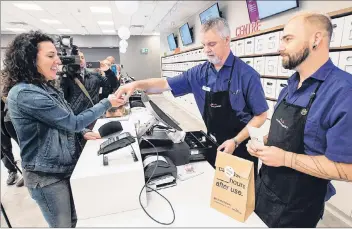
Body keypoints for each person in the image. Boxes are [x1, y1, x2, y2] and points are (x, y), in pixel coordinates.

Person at [2, 30, 124, 227]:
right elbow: (72, 121)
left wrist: (83, 131)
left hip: (63, 168)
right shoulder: (25, 94)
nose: (58, 61)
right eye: (51, 56)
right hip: (46, 177)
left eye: (57, 55)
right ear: (29, 59)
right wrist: (106, 103)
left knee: (74, 221)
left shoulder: (45, 87)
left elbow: (61, 120)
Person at [116, 18, 268, 175]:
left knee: (241, 198)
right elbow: (164, 84)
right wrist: (136, 85)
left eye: (212, 44)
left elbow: (261, 115)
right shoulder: (199, 74)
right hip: (214, 144)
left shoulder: (247, 75)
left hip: (241, 148)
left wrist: (236, 141)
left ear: (227, 40)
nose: (206, 50)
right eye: (204, 45)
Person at [246, 12, 352, 227]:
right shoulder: (291, 85)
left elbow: (348, 169)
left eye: (288, 39)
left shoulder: (343, 91)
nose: (280, 47)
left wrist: (286, 159)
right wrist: (263, 141)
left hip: (298, 208)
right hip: (265, 188)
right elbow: (287, 132)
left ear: (316, 40)